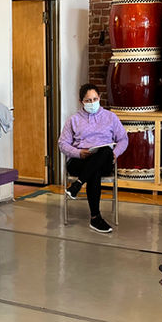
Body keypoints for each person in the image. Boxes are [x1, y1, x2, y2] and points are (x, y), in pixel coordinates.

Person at [58, 83, 129, 234]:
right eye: (88, 100)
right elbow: (62, 144)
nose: (92, 103)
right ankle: (95, 218)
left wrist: (115, 153)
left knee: (105, 151)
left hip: (104, 159)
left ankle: (77, 185)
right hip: (80, 160)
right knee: (94, 171)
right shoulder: (73, 120)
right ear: (81, 102)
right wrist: (78, 152)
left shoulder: (110, 117)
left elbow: (123, 139)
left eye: (95, 99)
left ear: (100, 97)